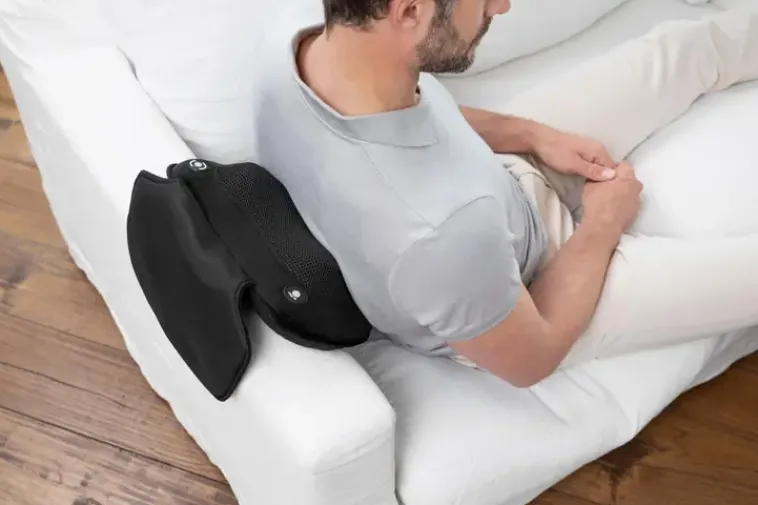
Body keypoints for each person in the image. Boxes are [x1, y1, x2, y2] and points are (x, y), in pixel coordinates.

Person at [253, 0, 758, 387]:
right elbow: (529, 359)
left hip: (495, 184)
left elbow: (422, 117)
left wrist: (534, 136)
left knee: (683, 49)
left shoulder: (308, 46)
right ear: (408, 11)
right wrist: (604, 223)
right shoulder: (436, 234)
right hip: (532, 293)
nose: (501, 6)